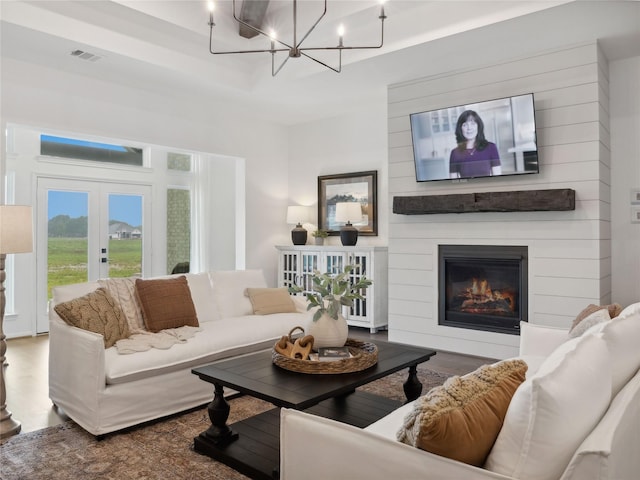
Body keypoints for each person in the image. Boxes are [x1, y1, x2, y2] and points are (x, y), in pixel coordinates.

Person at [449, 110, 501, 179]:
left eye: (472, 124)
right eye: (465, 125)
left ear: (478, 126)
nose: (469, 128)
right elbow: (454, 183)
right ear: (460, 129)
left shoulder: (491, 148)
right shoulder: (455, 153)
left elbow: (497, 179)